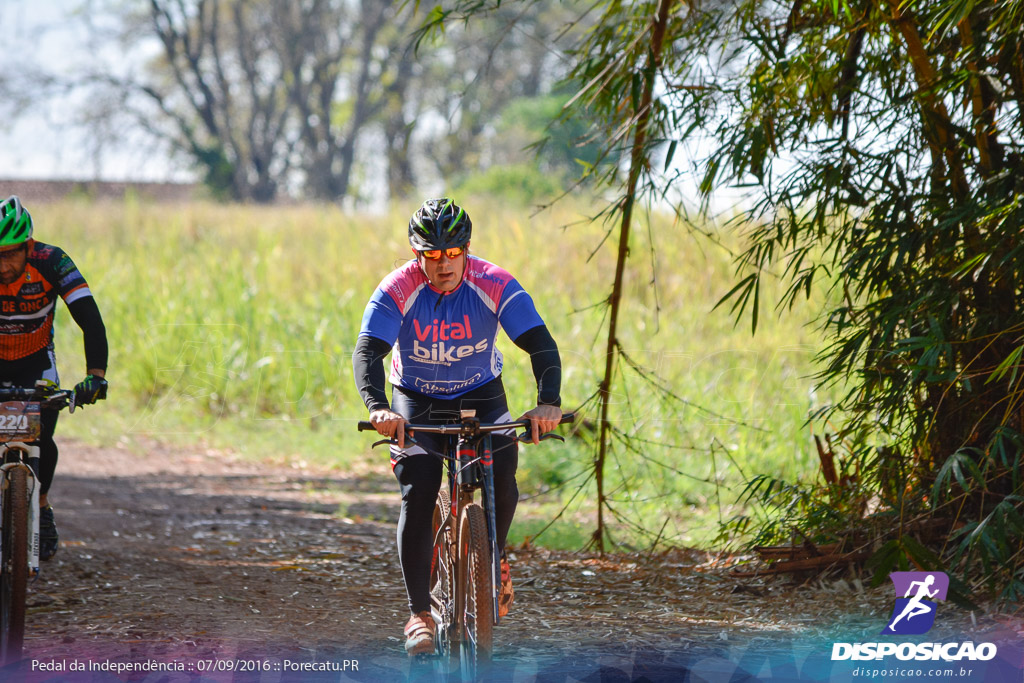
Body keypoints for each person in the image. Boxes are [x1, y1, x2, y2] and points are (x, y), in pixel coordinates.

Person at [353, 198, 562, 655]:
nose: (444, 264)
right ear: (417, 255)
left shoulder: (495, 282)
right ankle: (419, 614)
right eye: (432, 255)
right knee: (419, 488)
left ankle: (494, 555)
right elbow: (369, 352)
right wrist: (378, 407)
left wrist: (548, 403)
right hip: (416, 398)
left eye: (453, 253)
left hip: (482, 393)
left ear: (467, 249)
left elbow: (541, 345)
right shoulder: (396, 289)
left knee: (504, 478)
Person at [0, 196, 108, 561]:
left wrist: (95, 376)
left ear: (29, 246)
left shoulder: (52, 261)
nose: (3, 265)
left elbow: (89, 318)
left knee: (42, 435)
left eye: (11, 254)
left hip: (35, 360)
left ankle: (41, 506)